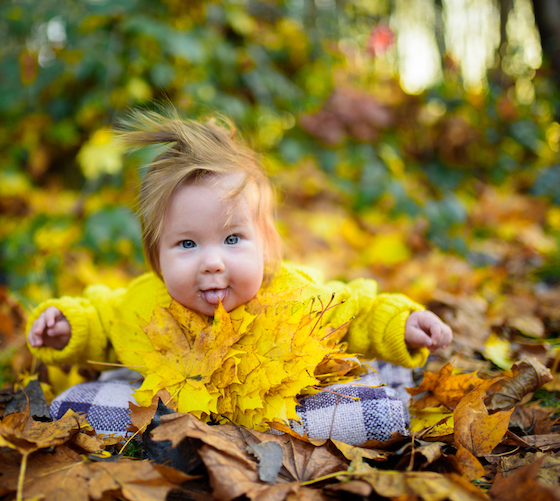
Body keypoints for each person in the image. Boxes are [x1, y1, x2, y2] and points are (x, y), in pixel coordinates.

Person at [25, 109, 453, 444]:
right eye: (187, 245)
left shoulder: (296, 300)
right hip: (178, 406)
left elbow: (356, 313)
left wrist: (402, 325)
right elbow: (103, 321)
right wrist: (68, 327)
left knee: (365, 402)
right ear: (156, 256)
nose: (212, 262)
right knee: (80, 410)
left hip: (276, 404)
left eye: (232, 238)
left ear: (266, 245)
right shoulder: (145, 306)